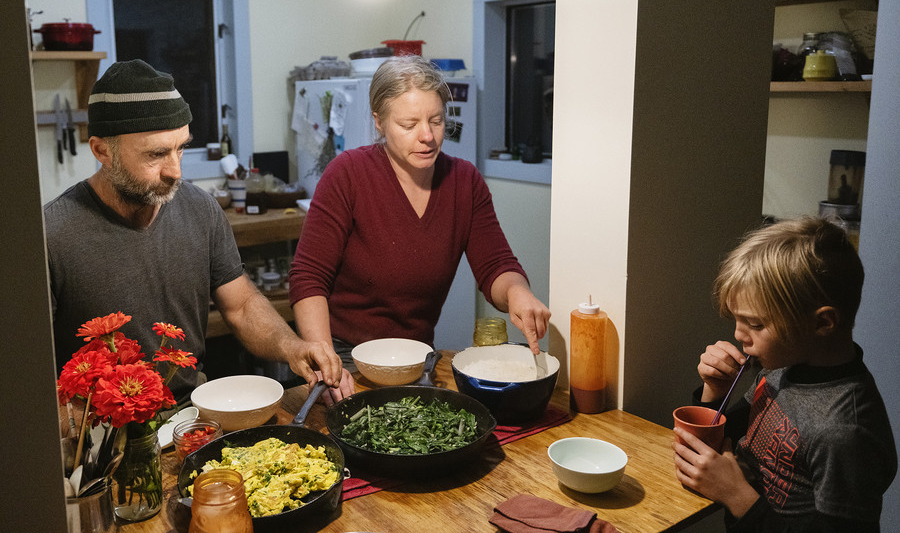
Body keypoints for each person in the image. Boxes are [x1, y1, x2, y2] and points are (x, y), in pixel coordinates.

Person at [45, 59, 342, 402]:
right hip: (101, 432)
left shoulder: (200, 208)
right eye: (156, 154)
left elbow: (241, 305)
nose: (175, 171)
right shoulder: (53, 235)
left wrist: (291, 346)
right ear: (102, 151)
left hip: (191, 411)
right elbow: (29, 362)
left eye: (181, 148)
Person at [289, 55, 551, 403]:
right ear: (379, 122)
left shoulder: (464, 181)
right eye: (409, 124)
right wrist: (325, 362)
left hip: (417, 359)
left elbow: (495, 266)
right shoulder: (347, 175)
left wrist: (518, 292)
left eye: (437, 121)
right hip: (345, 358)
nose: (427, 136)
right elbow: (308, 277)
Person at [673, 217, 896, 532]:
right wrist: (715, 390)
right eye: (737, 320)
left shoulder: (845, 431)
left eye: (757, 324)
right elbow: (725, 437)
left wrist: (737, 496)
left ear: (822, 324)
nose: (739, 335)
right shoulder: (785, 367)